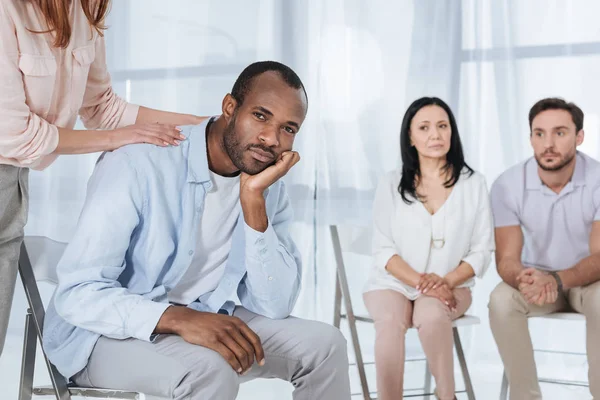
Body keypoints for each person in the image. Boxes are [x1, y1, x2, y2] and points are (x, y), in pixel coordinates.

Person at [43, 61, 351, 399]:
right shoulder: (138, 163)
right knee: (209, 369)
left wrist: (253, 203)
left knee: (325, 345)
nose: (271, 139)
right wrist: (175, 317)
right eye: (261, 116)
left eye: (288, 128)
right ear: (230, 107)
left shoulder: (266, 183)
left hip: (206, 318)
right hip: (102, 338)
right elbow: (78, 293)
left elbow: (275, 305)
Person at [0, 0, 204, 358]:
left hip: (12, 189)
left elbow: (102, 107)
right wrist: (116, 139)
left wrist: (208, 127)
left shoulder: (86, 10)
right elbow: (15, 132)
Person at [363, 97, 494, 400]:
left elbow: (481, 251)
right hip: (391, 283)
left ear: (452, 132)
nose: (435, 135)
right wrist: (423, 282)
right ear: (410, 136)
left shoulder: (473, 183)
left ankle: (446, 396)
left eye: (442, 126)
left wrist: (444, 282)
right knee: (391, 322)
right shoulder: (390, 183)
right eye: (424, 127)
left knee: (432, 315)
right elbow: (383, 250)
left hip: (453, 286)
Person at [489, 97, 600, 400]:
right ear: (530, 138)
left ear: (579, 137)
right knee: (500, 300)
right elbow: (507, 259)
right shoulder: (507, 185)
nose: (548, 143)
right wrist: (523, 278)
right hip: (537, 281)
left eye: (559, 133)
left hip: (590, 281)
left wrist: (559, 280)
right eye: (539, 134)